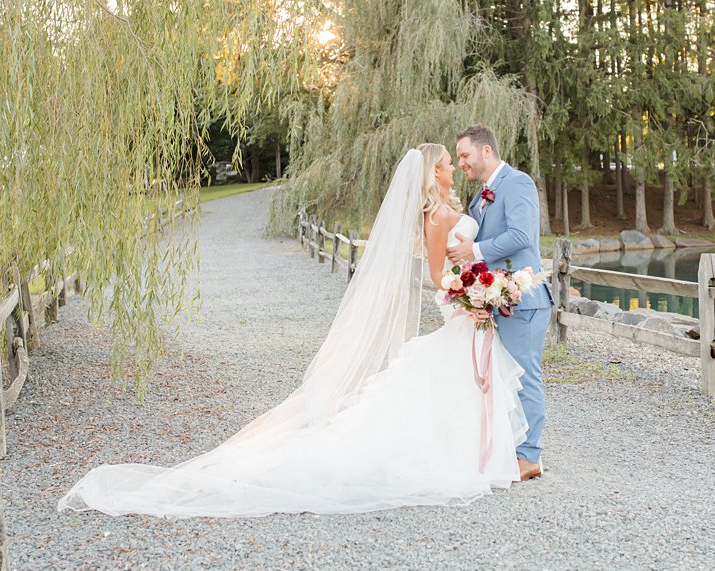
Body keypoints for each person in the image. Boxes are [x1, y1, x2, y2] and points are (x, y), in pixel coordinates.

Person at [59, 144, 534, 518]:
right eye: (449, 163)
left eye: (458, 160)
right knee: (447, 381)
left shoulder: (457, 206)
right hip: (465, 306)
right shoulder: (437, 217)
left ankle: (474, 455)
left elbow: (475, 251)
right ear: (434, 173)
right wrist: (473, 292)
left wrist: (482, 283)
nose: (455, 167)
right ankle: (452, 459)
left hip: (472, 306)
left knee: (458, 385)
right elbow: (437, 274)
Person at [447, 124, 550, 480]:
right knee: (501, 378)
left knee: (524, 376)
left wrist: (473, 250)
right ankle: (507, 449)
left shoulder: (517, 183)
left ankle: (529, 457)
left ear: (486, 151)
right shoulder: (481, 196)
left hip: (524, 299)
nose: (461, 163)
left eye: (465, 155)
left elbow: (521, 236)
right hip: (497, 299)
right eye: (458, 158)